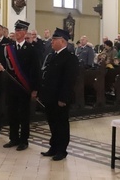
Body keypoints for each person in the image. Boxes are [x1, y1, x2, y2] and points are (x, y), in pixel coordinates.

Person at [0, 20, 41, 151]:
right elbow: (5, 65)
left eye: (20, 30)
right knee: (12, 113)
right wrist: (0, 66)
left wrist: (35, 89)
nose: (17, 33)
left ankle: (24, 140)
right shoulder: (9, 48)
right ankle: (13, 138)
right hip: (11, 87)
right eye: (16, 30)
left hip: (25, 88)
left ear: (25, 32)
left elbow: (36, 70)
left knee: (24, 115)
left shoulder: (32, 49)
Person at [39, 28, 78, 161]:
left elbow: (69, 80)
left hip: (60, 98)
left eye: (54, 40)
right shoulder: (52, 55)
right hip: (50, 97)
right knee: (52, 123)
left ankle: (62, 150)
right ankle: (53, 147)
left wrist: (63, 98)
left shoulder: (70, 58)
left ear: (62, 41)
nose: (51, 42)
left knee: (61, 124)